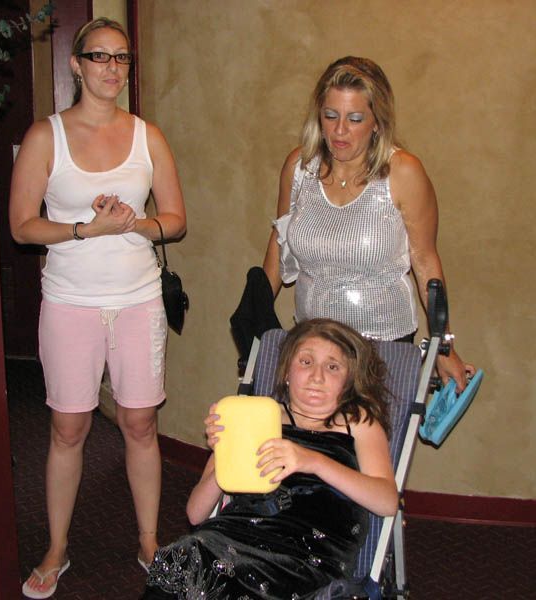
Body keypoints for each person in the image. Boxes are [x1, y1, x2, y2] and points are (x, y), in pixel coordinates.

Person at [9, 17, 186, 599]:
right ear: (76, 64)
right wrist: (87, 228)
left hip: (137, 300)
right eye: (100, 56)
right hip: (71, 302)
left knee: (140, 423)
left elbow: (176, 220)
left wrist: (136, 223)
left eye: (122, 59)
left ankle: (148, 539)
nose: (112, 68)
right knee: (68, 428)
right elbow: (22, 227)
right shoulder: (45, 136)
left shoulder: (147, 136)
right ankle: (57, 548)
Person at [142, 318, 398, 599]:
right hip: (231, 540)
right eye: (305, 362)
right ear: (287, 372)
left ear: (349, 380)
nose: (317, 376)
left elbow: (386, 501)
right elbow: (195, 513)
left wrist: (311, 461)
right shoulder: (252, 415)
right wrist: (228, 451)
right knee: (185, 558)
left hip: (306, 559)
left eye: (332, 367)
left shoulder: (358, 423)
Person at [262, 56, 474, 392]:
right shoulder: (299, 168)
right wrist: (256, 307)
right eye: (330, 116)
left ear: (377, 121)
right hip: (313, 344)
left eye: (355, 118)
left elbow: (426, 262)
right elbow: (280, 240)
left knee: (371, 443)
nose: (340, 130)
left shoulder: (403, 173)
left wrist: (442, 344)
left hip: (381, 347)